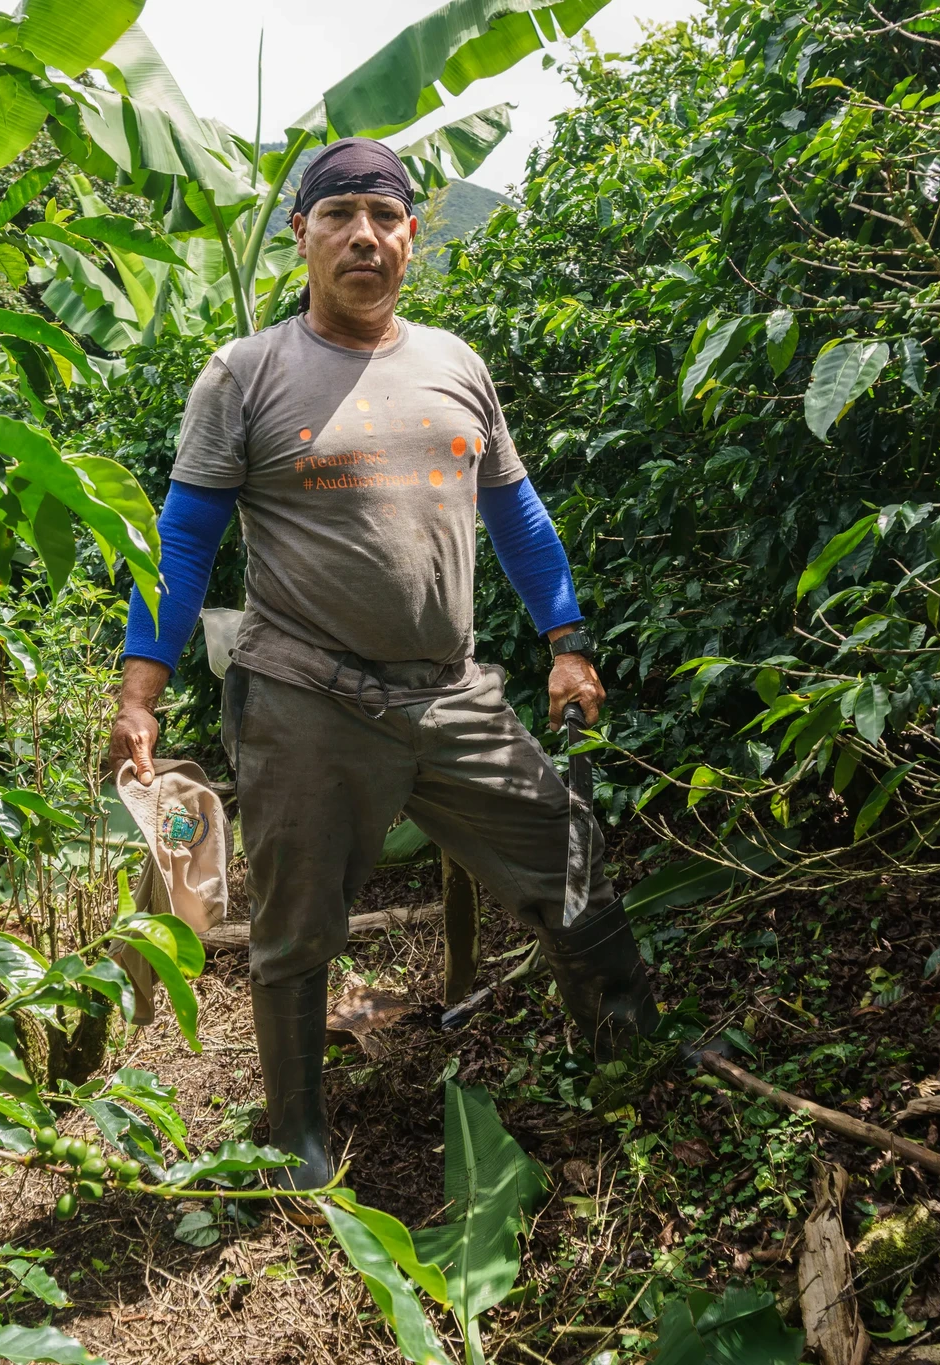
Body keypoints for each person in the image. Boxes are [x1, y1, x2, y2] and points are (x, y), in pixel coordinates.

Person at [108, 137, 656, 1191]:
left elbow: (515, 510)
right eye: (339, 215)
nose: (364, 235)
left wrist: (566, 640)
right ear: (301, 236)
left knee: (566, 865)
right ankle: (296, 1134)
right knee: (294, 928)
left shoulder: (455, 364)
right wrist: (142, 687)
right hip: (307, 698)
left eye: (384, 215)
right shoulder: (246, 373)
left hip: (449, 693)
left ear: (411, 235)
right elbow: (181, 540)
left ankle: (629, 1054)